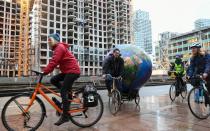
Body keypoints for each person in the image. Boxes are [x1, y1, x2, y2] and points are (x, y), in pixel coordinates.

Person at [43, 33, 80, 126]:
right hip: (68, 71)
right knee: (53, 80)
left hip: (73, 71)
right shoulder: (58, 48)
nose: (48, 42)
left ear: (54, 40)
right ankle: (67, 97)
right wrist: (57, 68)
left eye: (49, 40)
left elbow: (54, 61)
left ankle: (65, 116)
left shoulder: (59, 47)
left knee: (63, 89)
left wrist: (45, 71)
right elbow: (61, 61)